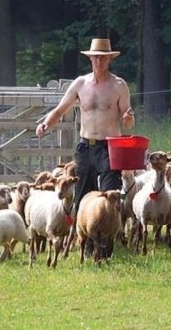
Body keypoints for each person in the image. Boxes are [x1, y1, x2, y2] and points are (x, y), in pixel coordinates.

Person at [36, 38, 135, 216]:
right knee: (82, 193)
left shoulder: (119, 85)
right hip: (86, 145)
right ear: (90, 59)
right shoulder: (80, 83)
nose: (99, 61)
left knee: (110, 193)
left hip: (109, 146)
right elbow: (59, 110)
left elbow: (127, 121)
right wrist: (45, 124)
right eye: (95, 57)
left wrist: (128, 117)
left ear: (109, 59)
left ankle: (107, 238)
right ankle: (86, 240)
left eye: (103, 58)